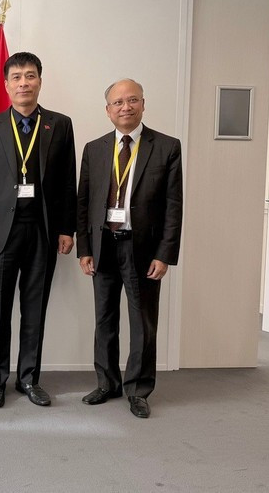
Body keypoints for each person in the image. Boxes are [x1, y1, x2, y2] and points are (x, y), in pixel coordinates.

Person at [0, 52, 77, 408]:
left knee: (35, 309)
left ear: (40, 81)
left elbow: (65, 182)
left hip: (43, 232)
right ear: (6, 85)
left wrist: (67, 229)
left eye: (30, 76)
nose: (23, 83)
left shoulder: (60, 125)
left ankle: (29, 379)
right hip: (0, 232)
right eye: (16, 77)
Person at [76, 79, 183, 418]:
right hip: (104, 246)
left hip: (144, 251)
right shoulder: (94, 149)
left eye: (132, 100)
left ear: (143, 104)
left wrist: (164, 254)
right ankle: (107, 383)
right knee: (104, 320)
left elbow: (173, 205)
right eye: (118, 102)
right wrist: (84, 248)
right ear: (108, 111)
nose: (126, 107)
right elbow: (83, 203)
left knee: (143, 323)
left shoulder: (166, 147)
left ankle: (138, 390)